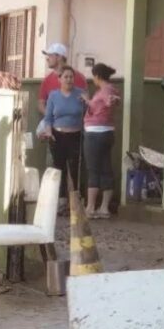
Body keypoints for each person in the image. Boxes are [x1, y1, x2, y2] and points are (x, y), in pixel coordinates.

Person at [40, 65, 86, 213]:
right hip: (57, 136)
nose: (69, 79)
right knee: (59, 169)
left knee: (75, 170)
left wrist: (87, 101)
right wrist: (49, 132)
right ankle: (61, 202)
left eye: (71, 77)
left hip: (76, 135)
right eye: (65, 77)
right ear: (59, 79)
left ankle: (75, 202)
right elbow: (48, 118)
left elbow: (89, 113)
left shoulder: (81, 94)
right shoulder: (53, 95)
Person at [81, 62, 120, 219]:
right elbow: (106, 103)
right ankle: (104, 208)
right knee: (106, 168)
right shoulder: (109, 89)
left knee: (93, 169)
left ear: (97, 76)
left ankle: (90, 207)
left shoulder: (104, 91)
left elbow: (110, 100)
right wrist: (88, 100)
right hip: (107, 133)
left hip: (95, 133)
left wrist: (111, 100)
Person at [38, 43, 86, 114]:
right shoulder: (47, 79)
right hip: (52, 118)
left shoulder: (77, 77)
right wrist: (49, 117)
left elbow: (85, 101)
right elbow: (41, 103)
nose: (47, 59)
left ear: (59, 57)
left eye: (50, 56)